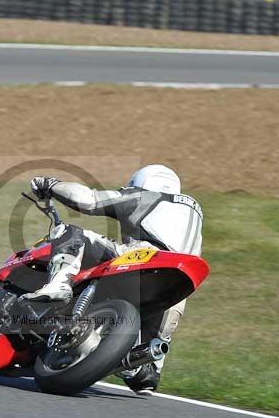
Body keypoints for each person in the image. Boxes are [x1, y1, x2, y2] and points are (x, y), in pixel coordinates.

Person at [21, 164, 203, 394]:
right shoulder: (195, 214)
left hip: (144, 258)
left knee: (70, 233)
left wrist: (51, 184)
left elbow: (88, 200)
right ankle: (134, 365)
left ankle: (59, 285)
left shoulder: (146, 196)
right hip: (177, 287)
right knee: (146, 377)